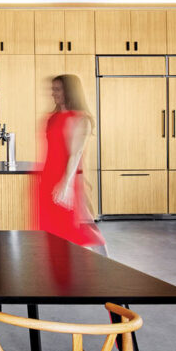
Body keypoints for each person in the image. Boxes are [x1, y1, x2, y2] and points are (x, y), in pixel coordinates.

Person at [36, 74, 106, 254]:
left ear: (69, 91)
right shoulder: (52, 118)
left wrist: (66, 184)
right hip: (50, 178)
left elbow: (75, 154)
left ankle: (104, 268)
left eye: (57, 89)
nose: (53, 93)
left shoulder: (82, 119)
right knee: (54, 229)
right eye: (53, 89)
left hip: (70, 180)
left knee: (83, 229)